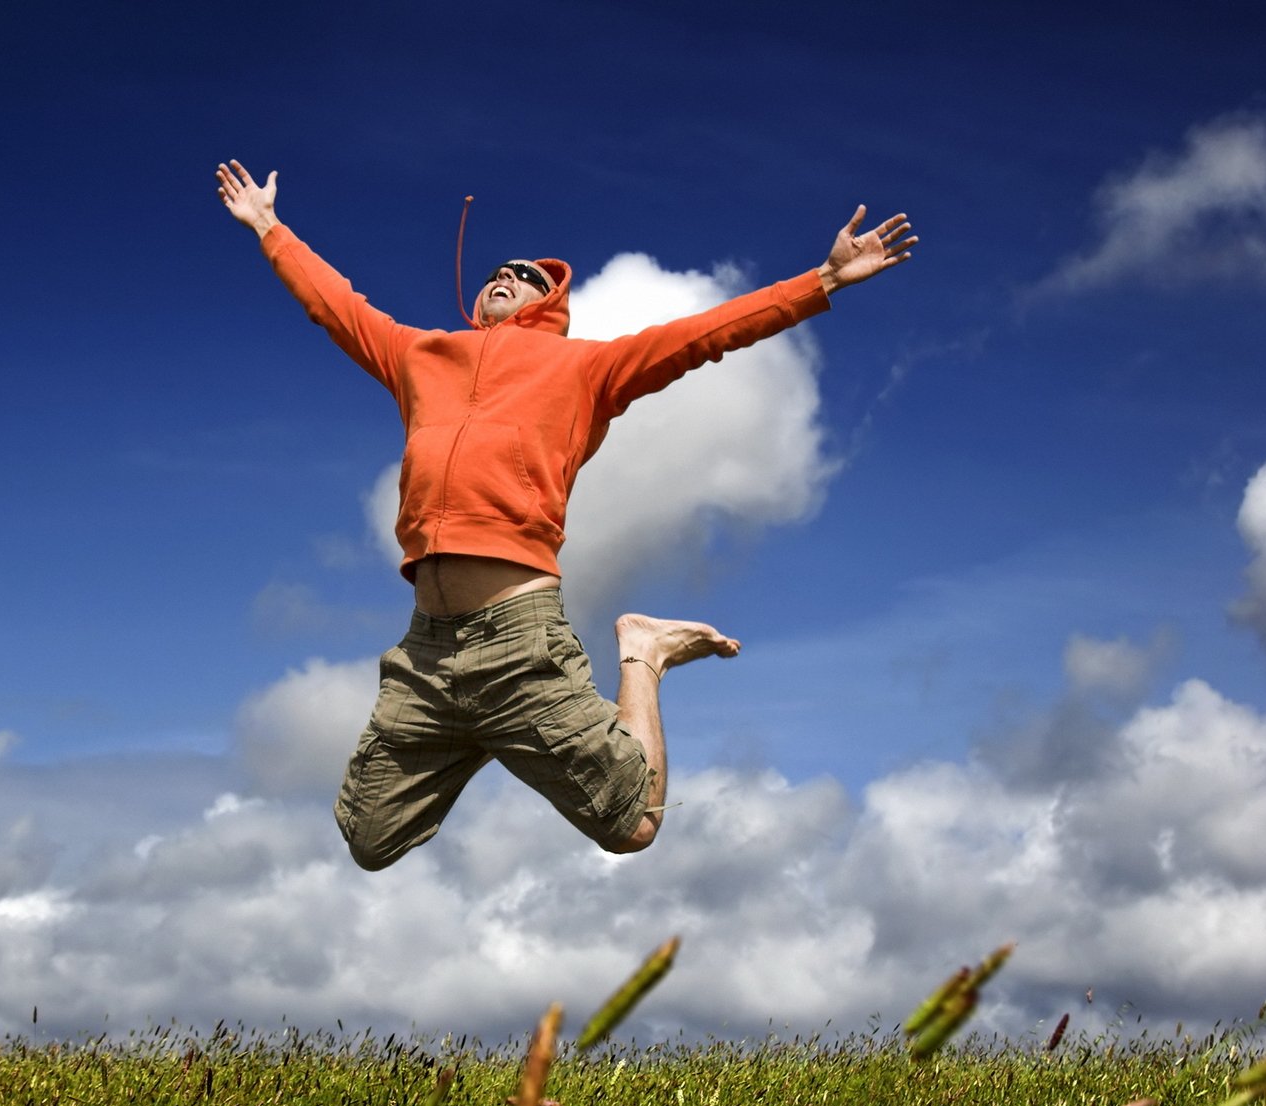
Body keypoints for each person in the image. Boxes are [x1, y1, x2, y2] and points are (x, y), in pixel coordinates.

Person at [216, 159, 915, 871]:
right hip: (426, 653)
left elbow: (706, 334)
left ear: (550, 303)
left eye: (528, 274)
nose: (507, 273)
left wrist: (821, 281)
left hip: (518, 641)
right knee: (368, 839)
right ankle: (489, 733)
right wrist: (270, 227)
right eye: (501, 268)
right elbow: (336, 305)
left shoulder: (585, 369)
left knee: (633, 824)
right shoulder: (419, 356)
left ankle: (643, 653)